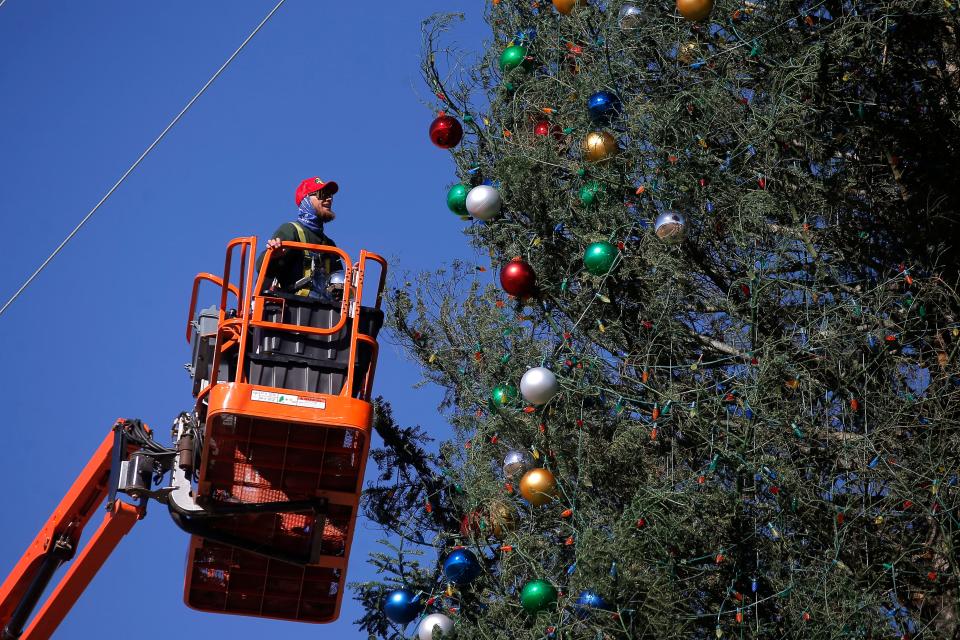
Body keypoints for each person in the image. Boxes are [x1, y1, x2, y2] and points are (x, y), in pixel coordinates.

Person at [257, 176, 345, 299]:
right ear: (306, 200)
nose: (329, 198)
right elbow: (261, 267)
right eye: (322, 194)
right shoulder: (291, 230)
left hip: (325, 311)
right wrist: (273, 255)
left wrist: (351, 277)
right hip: (295, 308)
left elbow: (340, 289)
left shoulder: (330, 245)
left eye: (330, 195)